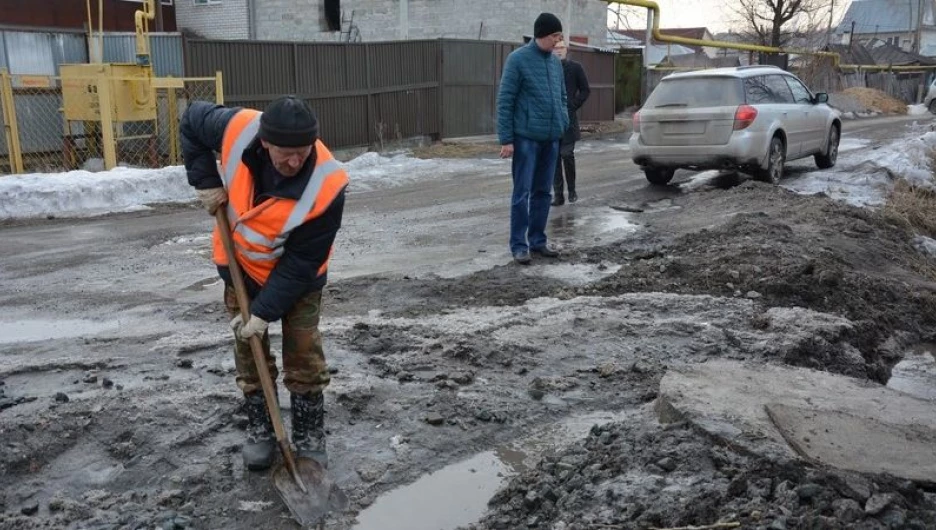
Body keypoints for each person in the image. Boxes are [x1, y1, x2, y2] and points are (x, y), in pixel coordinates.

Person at [181, 96, 347, 471]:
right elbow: (191, 120)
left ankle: (308, 434)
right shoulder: (237, 129)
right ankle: (262, 427)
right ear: (265, 142)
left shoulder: (328, 185)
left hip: (299, 279)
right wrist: (205, 179)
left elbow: (301, 262)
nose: (295, 162)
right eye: (285, 154)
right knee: (248, 349)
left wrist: (263, 312)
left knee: (303, 352)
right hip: (240, 267)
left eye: (303, 154)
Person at [496, 12, 569, 265]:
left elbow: (562, 96)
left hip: (551, 137)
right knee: (522, 192)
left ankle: (538, 240)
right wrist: (506, 139)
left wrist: (563, 121)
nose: (558, 42)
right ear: (543, 35)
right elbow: (505, 101)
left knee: (543, 192)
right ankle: (519, 245)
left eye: (560, 37)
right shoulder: (517, 60)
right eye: (555, 37)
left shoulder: (555, 63)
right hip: (526, 137)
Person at [550, 40, 590, 206]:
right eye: (555, 48)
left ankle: (572, 190)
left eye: (561, 47)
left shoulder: (575, 68)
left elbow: (586, 90)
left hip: (568, 120)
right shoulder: (548, 68)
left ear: (566, 49)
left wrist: (573, 105)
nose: (558, 51)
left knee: (566, 154)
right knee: (554, 158)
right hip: (551, 121)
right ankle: (558, 195)